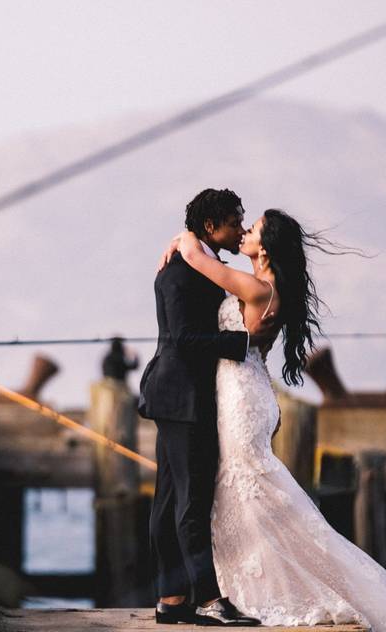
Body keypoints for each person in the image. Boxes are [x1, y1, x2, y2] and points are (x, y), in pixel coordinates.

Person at [161, 210, 386, 631]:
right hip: (242, 391)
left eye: (253, 228)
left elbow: (199, 260)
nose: (244, 232)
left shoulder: (259, 288)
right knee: (240, 492)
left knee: (243, 487)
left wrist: (183, 240)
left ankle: (248, 592)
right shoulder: (265, 283)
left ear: (265, 246)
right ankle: (239, 590)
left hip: (241, 397)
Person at [138, 189, 265, 626]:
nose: (240, 230)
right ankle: (208, 601)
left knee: (172, 498)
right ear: (211, 227)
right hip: (181, 397)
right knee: (189, 502)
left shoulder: (194, 262)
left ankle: (171, 600)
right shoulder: (178, 274)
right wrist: (243, 343)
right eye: (234, 222)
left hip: (181, 396)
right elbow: (182, 340)